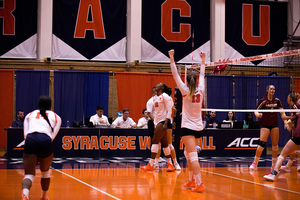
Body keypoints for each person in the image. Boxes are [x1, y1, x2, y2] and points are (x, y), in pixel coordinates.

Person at [168, 49, 206, 193]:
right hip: (198, 128)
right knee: (187, 153)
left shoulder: (184, 90)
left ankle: (200, 183)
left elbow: (175, 74)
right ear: (195, 81)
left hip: (188, 128)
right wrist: (203, 60)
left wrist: (171, 57)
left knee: (192, 156)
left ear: (187, 81)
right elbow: (202, 75)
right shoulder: (201, 89)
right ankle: (191, 181)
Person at [21, 95, 62, 200]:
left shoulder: (29, 115)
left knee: (29, 175)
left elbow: (25, 135)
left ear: (38, 105)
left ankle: (25, 195)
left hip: (30, 140)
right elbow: (52, 137)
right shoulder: (57, 117)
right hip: (45, 141)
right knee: (45, 172)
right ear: (50, 106)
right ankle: (44, 197)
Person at [249, 85, 287, 171]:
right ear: (267, 90)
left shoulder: (277, 100)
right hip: (265, 125)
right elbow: (256, 111)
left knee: (275, 146)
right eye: (271, 89)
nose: (273, 90)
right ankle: (255, 163)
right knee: (261, 145)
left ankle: (274, 164)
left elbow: (282, 112)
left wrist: (285, 122)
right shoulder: (263, 101)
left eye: (274, 89)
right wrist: (258, 115)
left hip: (275, 125)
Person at [140, 83, 175, 172]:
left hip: (164, 121)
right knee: (165, 143)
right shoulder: (155, 98)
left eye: (158, 85)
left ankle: (151, 164)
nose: (156, 85)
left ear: (162, 88)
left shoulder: (165, 96)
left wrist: (165, 123)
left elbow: (169, 111)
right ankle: (170, 164)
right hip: (157, 122)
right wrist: (156, 123)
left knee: (155, 141)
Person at [263, 112, 300, 181]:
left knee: (282, 156)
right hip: (297, 136)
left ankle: (273, 175)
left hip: (297, 137)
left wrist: (289, 124)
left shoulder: (297, 114)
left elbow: (289, 122)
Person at [280, 93, 300, 173]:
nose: (287, 99)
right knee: (294, 147)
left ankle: (295, 165)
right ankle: (288, 165)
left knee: (296, 147)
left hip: (298, 130)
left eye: (288, 97)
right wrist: (291, 126)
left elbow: (298, 116)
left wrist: (288, 119)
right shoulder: (292, 107)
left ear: (290, 99)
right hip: (296, 129)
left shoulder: (295, 106)